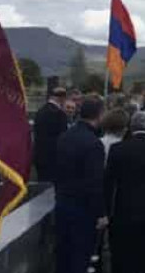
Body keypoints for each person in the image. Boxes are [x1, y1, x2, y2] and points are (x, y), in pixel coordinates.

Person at [105, 111, 145, 273]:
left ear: (131, 127)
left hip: (124, 210)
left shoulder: (118, 149)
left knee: (124, 255)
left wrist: (106, 211)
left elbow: (109, 182)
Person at [54, 97, 108, 273]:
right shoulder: (94, 144)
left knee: (63, 257)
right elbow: (95, 182)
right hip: (83, 210)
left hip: (63, 203)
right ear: (99, 115)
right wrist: (100, 213)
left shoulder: (64, 137)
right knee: (81, 258)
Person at [33, 87, 68, 182]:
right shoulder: (60, 114)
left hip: (40, 156)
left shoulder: (40, 111)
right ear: (62, 98)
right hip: (54, 157)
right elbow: (63, 137)